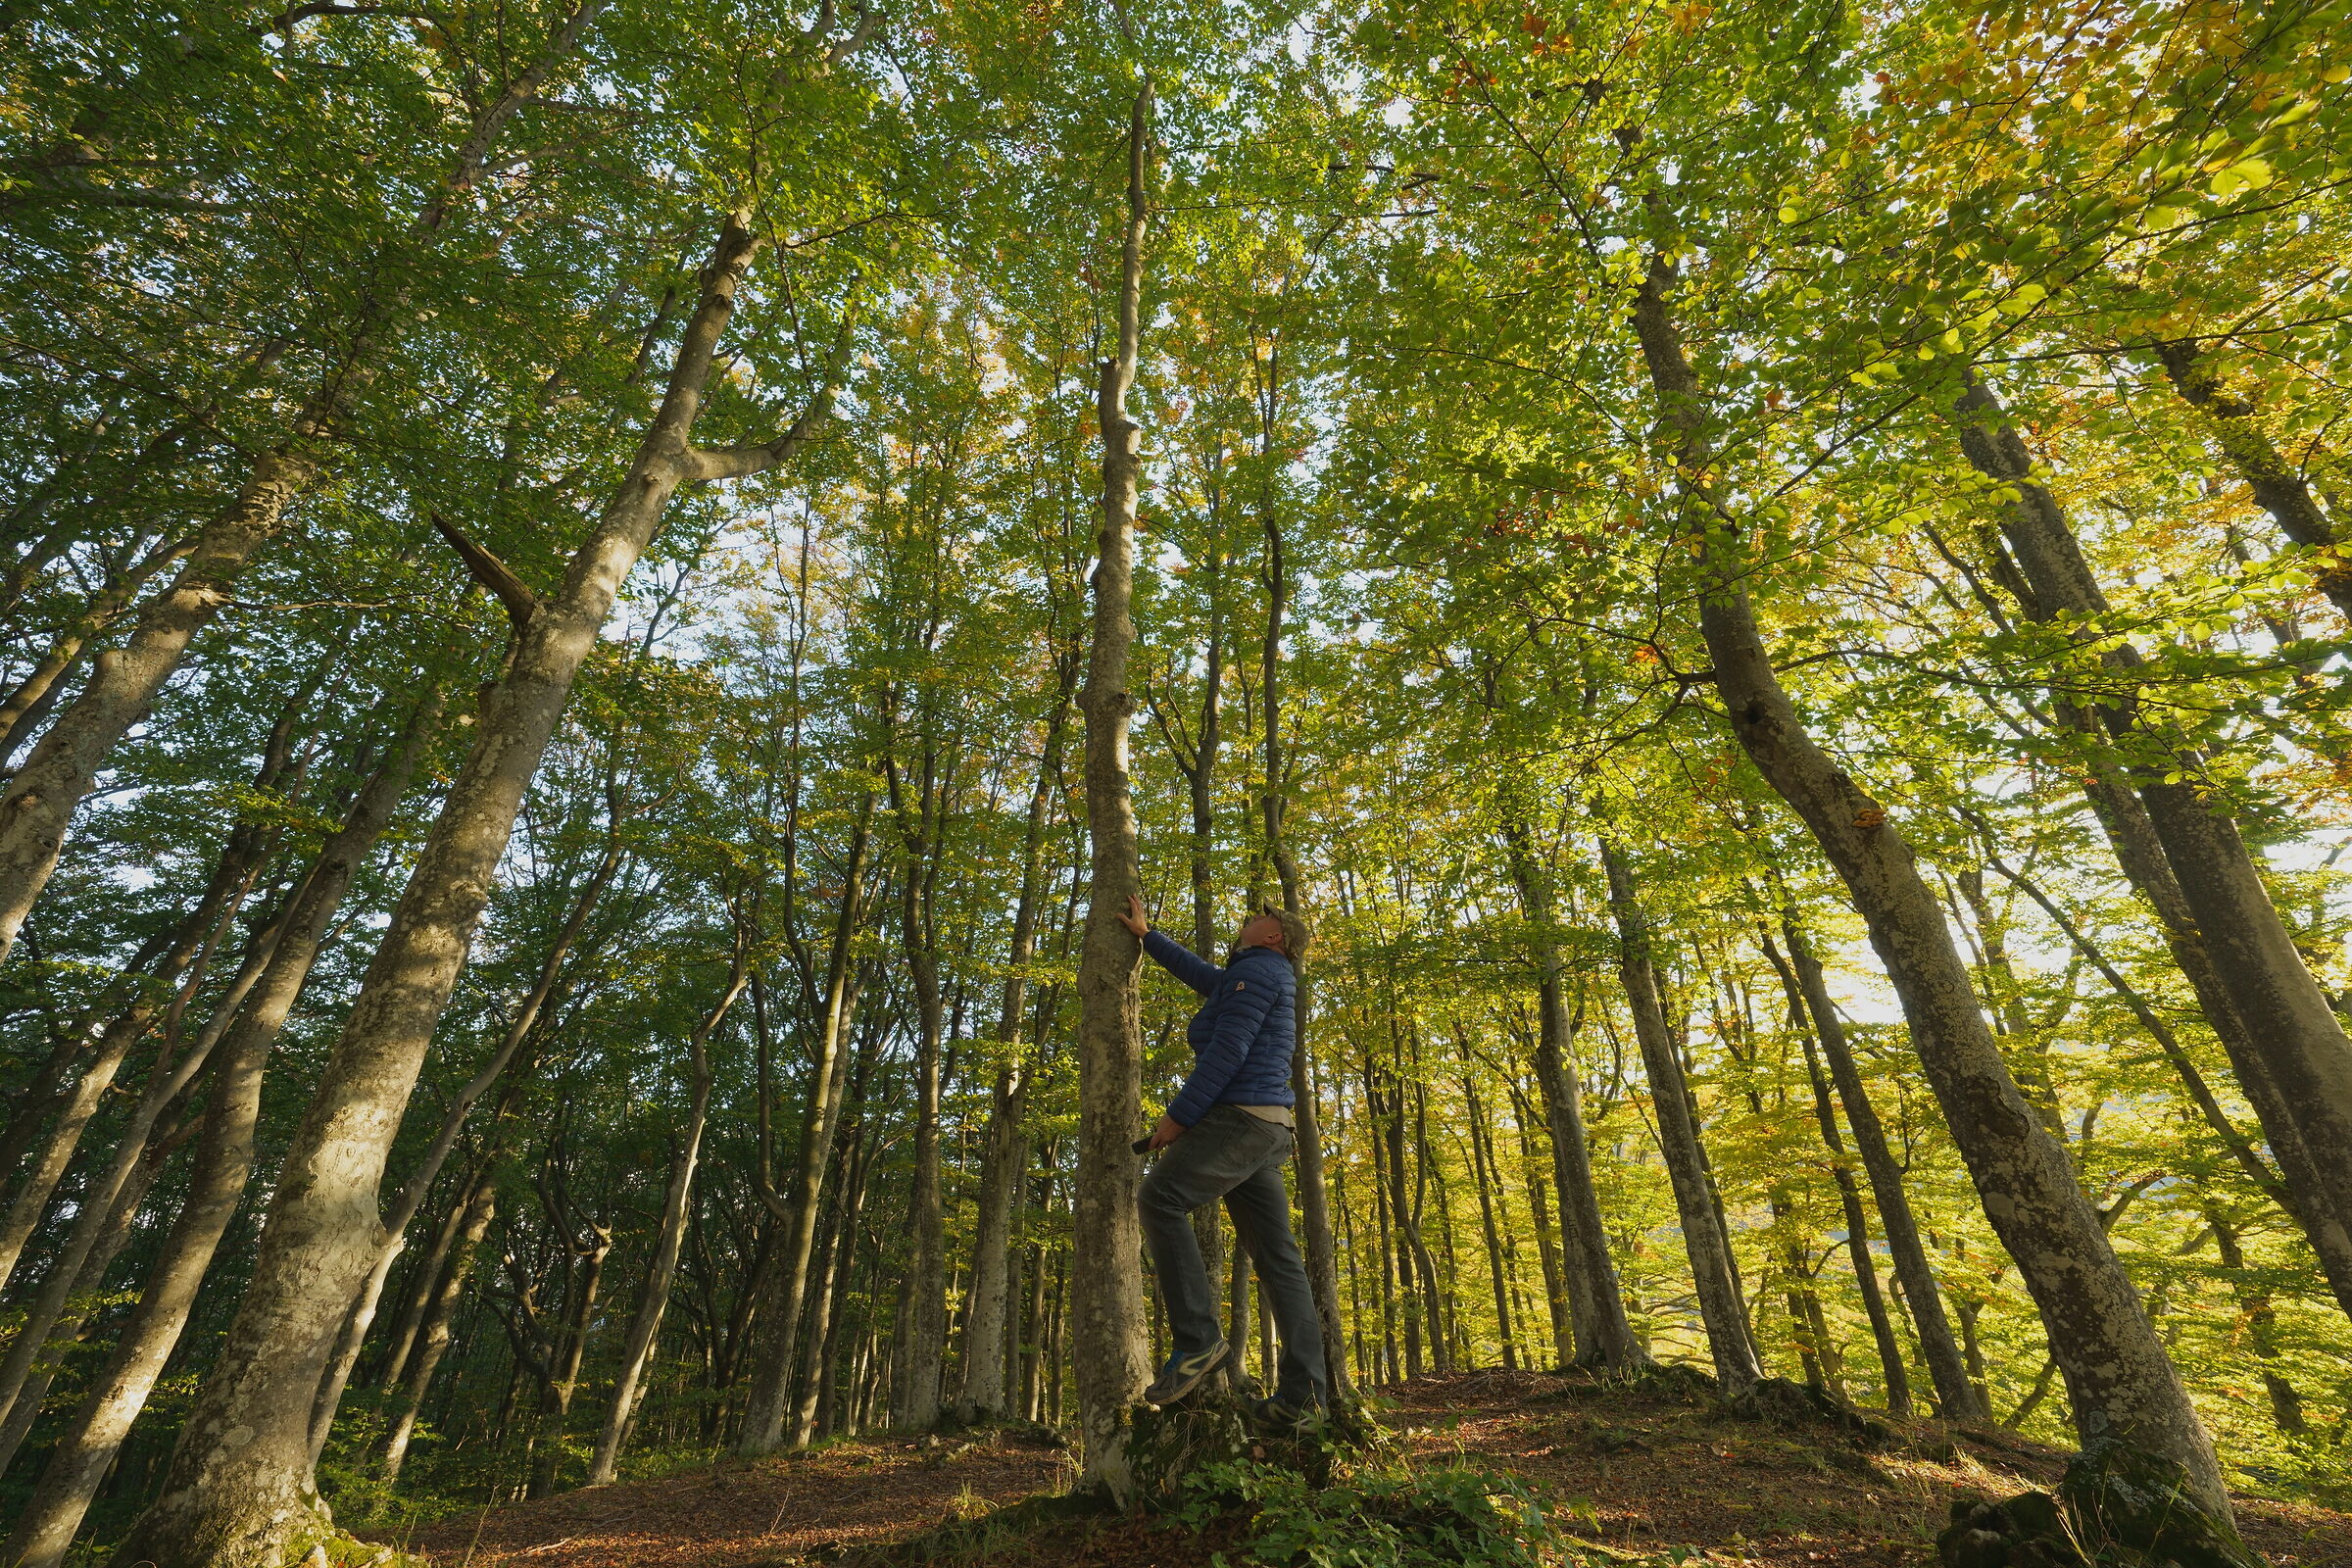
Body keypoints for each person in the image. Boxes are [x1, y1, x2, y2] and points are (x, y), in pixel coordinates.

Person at [1116, 892, 1327, 1426]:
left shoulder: (1259, 973)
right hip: (1269, 1127)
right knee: (1279, 1262)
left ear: (1274, 937)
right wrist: (1148, 936)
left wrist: (1179, 1118)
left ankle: (1198, 1342)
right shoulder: (1253, 976)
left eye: (1264, 916)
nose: (1252, 916)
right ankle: (1304, 1404)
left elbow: (1227, 1052)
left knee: (1159, 1198)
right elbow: (1202, 976)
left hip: (1240, 1120)